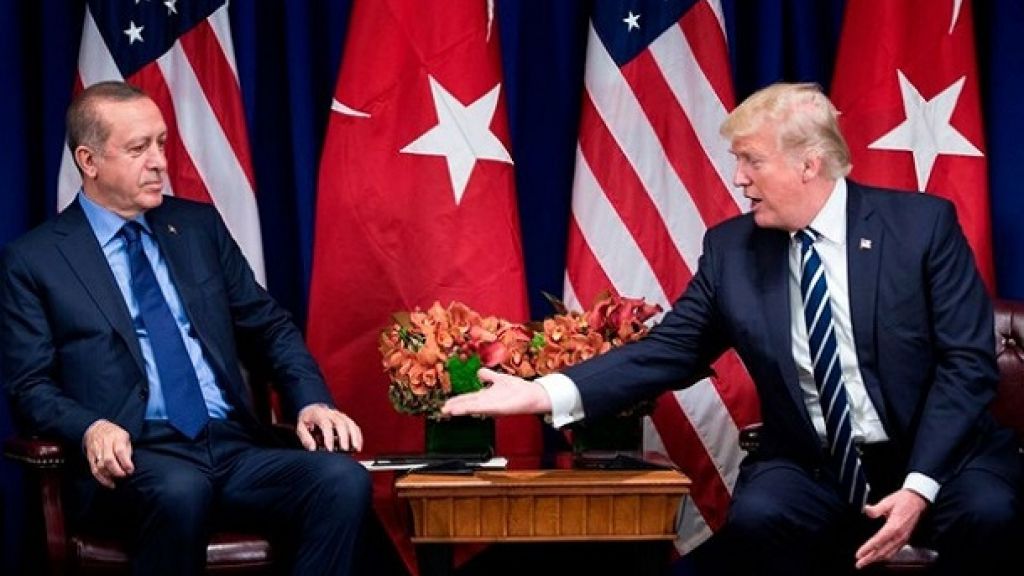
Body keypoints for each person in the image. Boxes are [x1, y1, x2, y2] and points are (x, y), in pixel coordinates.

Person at [443, 82, 1022, 575]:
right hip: (813, 464)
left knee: (991, 513)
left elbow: (966, 364)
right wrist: (542, 392)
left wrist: (919, 486)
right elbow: (669, 350)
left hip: (939, 455)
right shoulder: (732, 251)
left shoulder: (920, 227)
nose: (739, 178)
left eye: (752, 161)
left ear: (808, 164)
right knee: (758, 517)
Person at [0, 81, 370, 576]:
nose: (159, 162)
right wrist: (91, 427)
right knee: (182, 490)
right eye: (138, 149)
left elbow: (269, 327)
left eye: (161, 143)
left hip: (232, 446)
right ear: (89, 161)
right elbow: (30, 386)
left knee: (341, 481)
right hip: (134, 458)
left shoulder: (197, 227)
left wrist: (311, 401)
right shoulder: (35, 259)